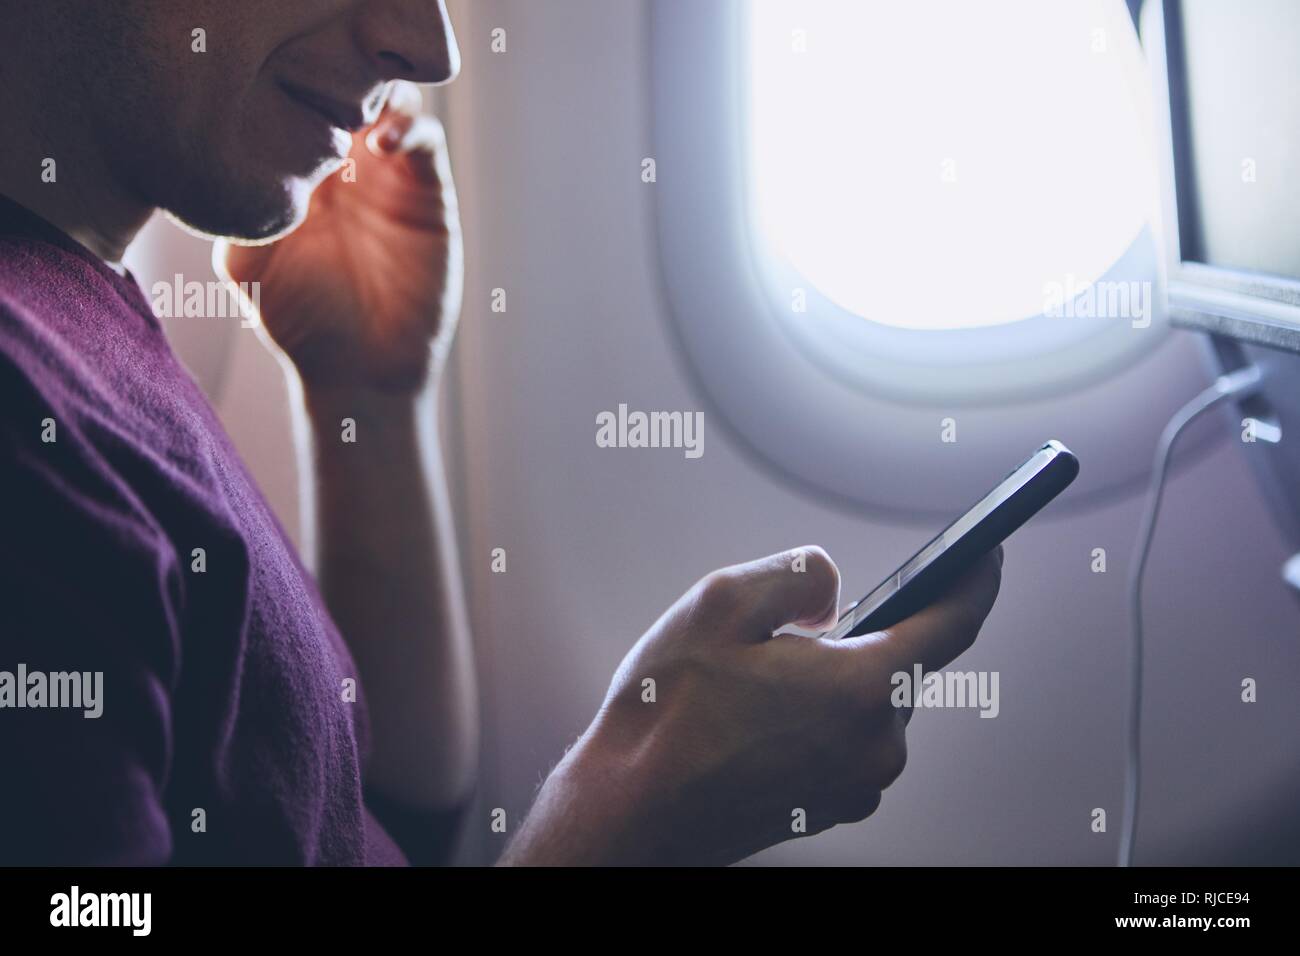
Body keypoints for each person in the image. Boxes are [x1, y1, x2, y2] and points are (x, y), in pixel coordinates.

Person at [0, 0, 1001, 866]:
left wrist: (367, 396)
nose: (429, 47)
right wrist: (631, 817)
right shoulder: (23, 425)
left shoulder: (78, 304)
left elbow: (368, 820)